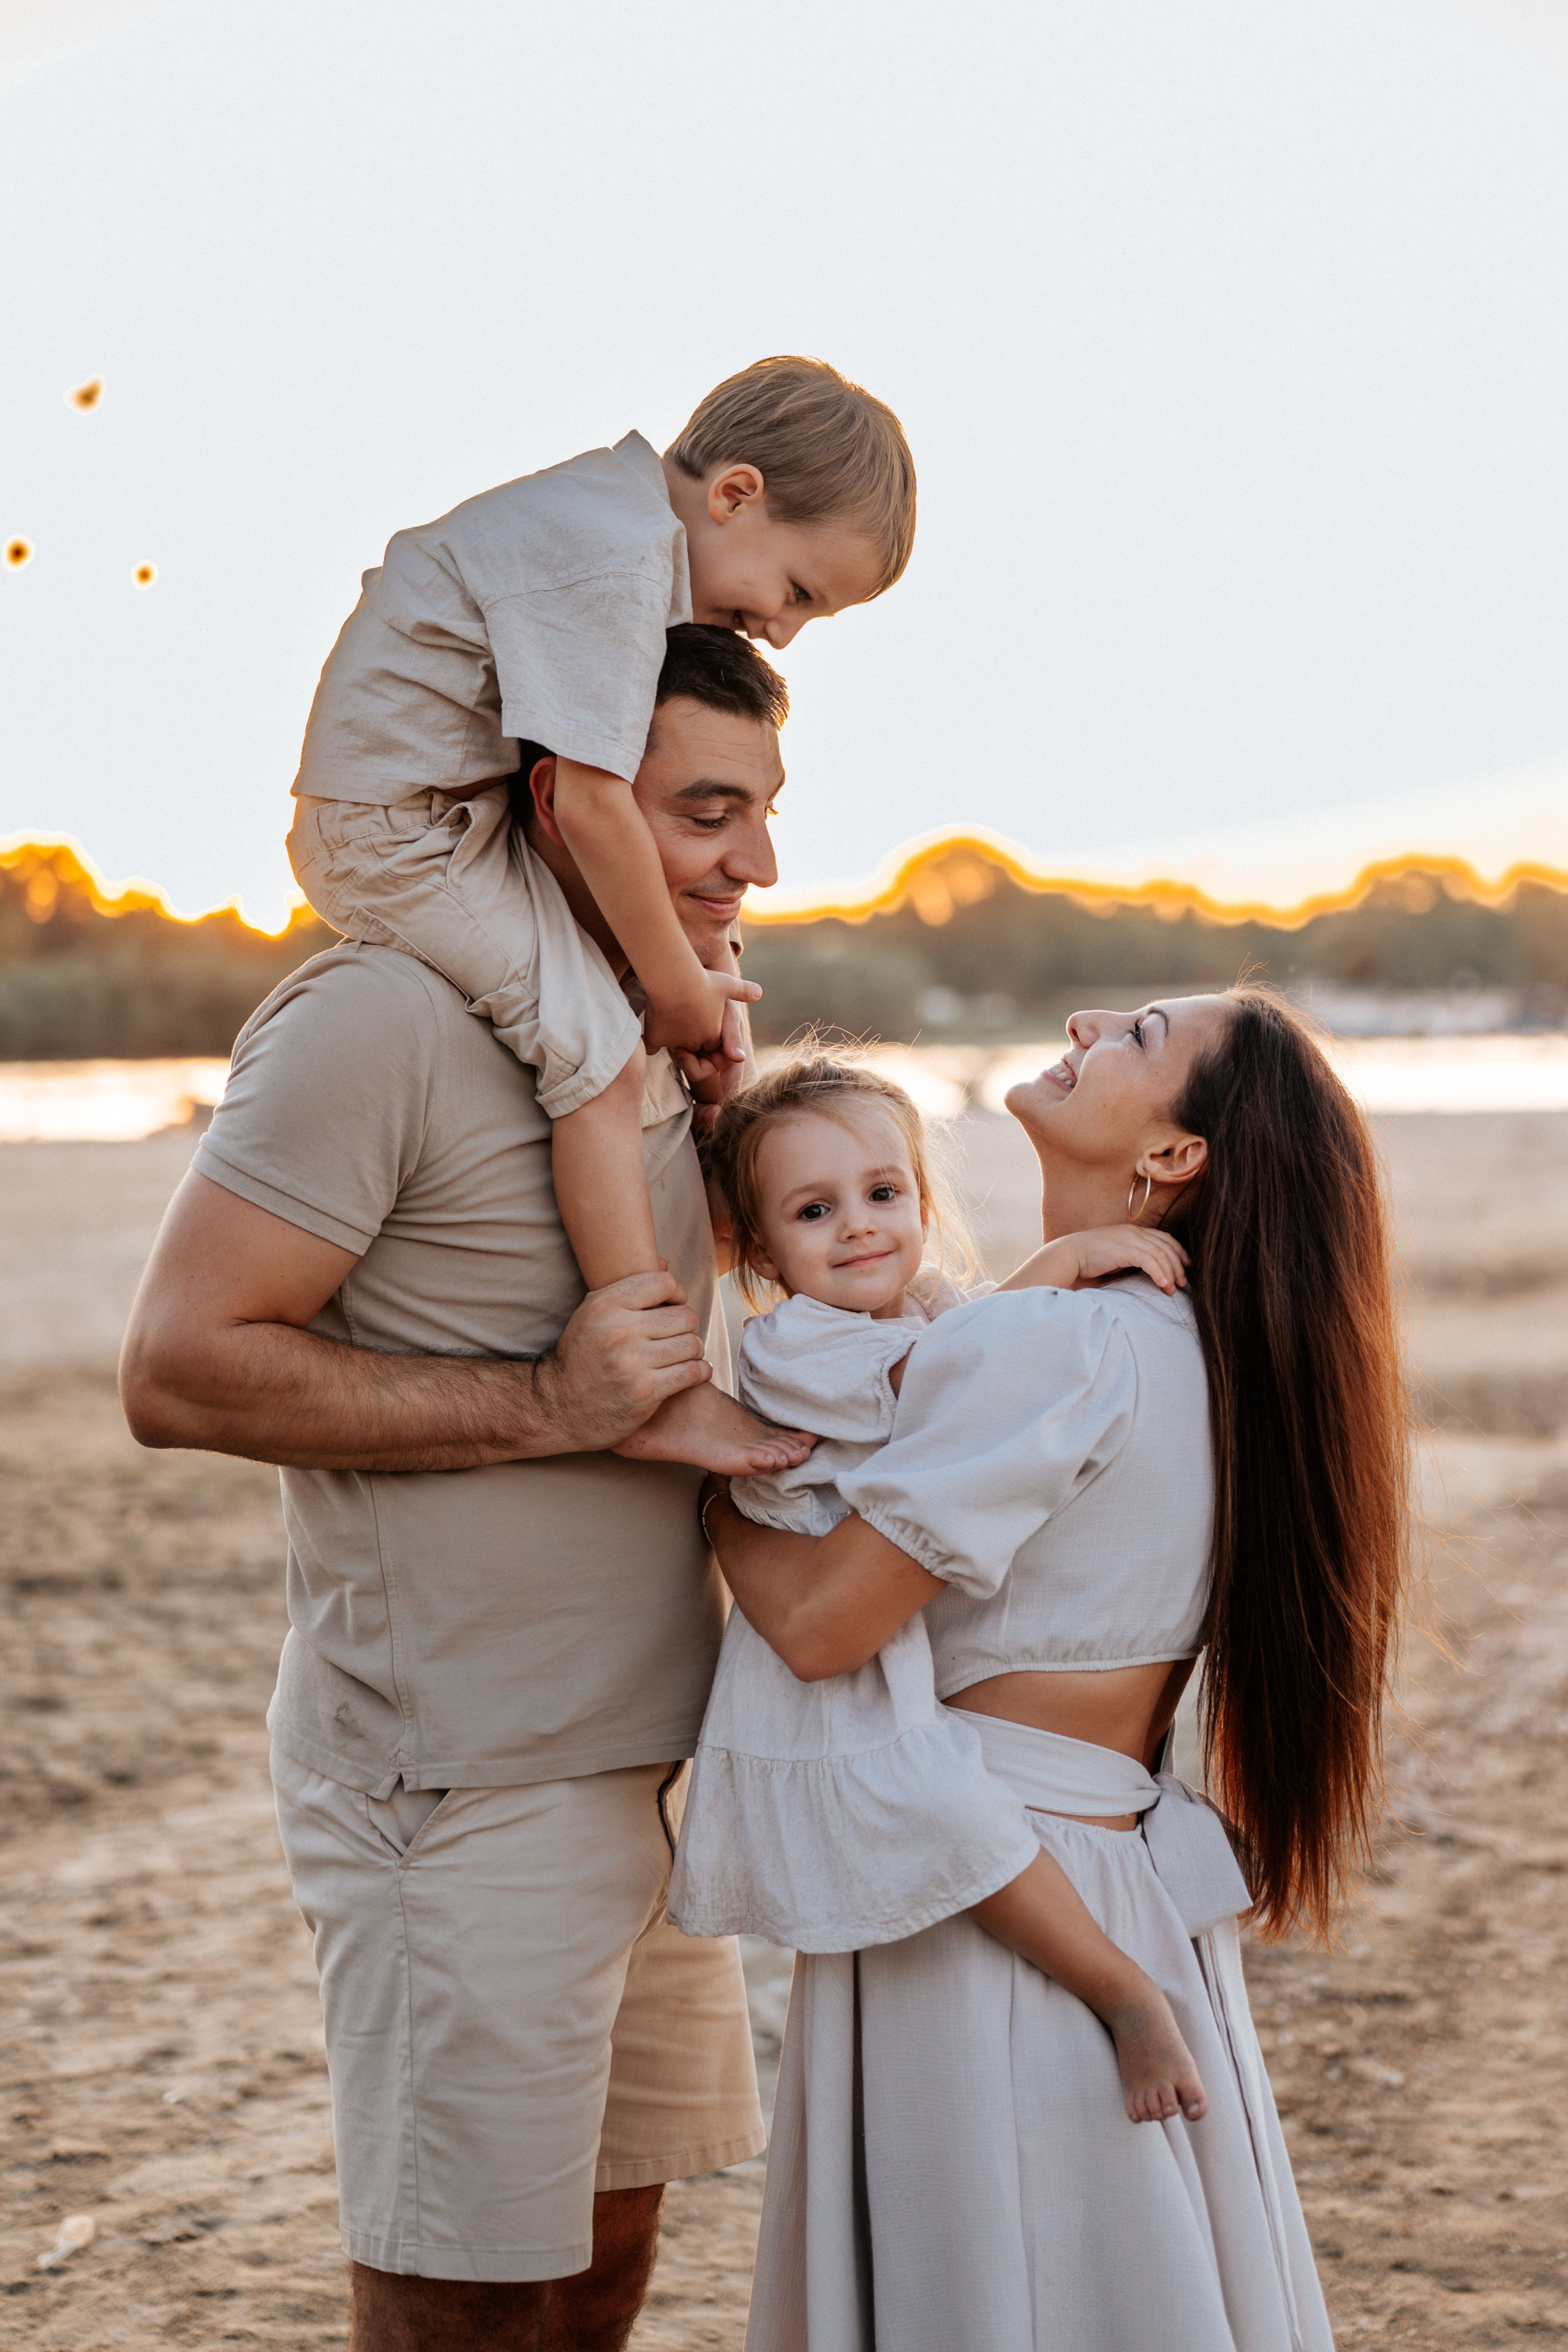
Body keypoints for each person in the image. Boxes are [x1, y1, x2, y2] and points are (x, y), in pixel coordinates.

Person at [119, 626, 811, 2352]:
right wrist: (543, 1407)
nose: (759, 862)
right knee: (464, 2308)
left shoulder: (649, 1035)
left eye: (764, 812)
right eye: (708, 811)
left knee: (601, 2275)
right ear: (561, 805)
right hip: (459, 1786)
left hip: (651, 1768)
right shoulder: (376, 1018)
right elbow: (180, 1366)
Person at [701, 990, 1408, 2352]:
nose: (1084, 1018)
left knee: (990, 2286)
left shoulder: (1059, 1343)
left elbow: (817, 1628)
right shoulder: (1187, 1344)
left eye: (1138, 1033)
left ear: (1171, 1158)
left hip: (983, 1883)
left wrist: (712, 1490)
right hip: (1114, 1865)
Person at [287, 356, 916, 1472]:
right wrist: (673, 989)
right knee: (597, 1044)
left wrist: (691, 975)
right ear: (735, 493)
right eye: (800, 592)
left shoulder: (611, 529)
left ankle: (703, 1160)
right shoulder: (614, 559)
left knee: (642, 992)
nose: (782, 632)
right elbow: (588, 799)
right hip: (398, 834)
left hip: (453, 814)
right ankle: (658, 1381)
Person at [670, 1052, 1211, 2125]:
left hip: (887, 1625)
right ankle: (1121, 1993)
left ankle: (1121, 1989)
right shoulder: (795, 1344)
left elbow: (967, 1359)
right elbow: (945, 1384)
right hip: (827, 1652)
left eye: (884, 1194)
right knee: (947, 1813)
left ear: (922, 1198)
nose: (860, 1227)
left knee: (953, 1807)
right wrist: (1056, 1265)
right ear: (766, 1257)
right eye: (815, 1211)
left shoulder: (927, 1307)